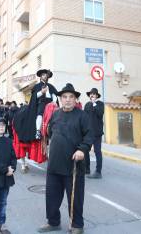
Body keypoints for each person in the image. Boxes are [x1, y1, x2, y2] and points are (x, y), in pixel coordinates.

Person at [37, 83, 93, 234]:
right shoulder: (55, 114)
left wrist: (82, 149)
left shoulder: (82, 116)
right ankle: (53, 222)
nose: (67, 100)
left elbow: (89, 136)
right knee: (52, 196)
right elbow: (49, 131)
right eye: (65, 97)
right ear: (60, 99)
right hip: (55, 162)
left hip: (73, 164)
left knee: (75, 197)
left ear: (75, 99)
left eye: (71, 97)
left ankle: (76, 225)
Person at [14, 69, 58, 142]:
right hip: (41, 102)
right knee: (40, 113)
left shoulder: (51, 86)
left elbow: (54, 95)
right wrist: (41, 92)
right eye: (43, 75)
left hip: (50, 104)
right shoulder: (37, 86)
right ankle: (38, 131)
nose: (45, 76)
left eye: (46, 75)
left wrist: (54, 101)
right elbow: (35, 96)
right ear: (40, 77)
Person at [84, 88, 104, 179]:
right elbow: (84, 118)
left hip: (97, 133)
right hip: (88, 132)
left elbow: (100, 114)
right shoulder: (87, 105)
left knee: (97, 152)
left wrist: (94, 103)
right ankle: (87, 169)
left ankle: (98, 172)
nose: (92, 95)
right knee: (85, 151)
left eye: (94, 94)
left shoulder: (100, 104)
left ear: (96, 96)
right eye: (91, 94)